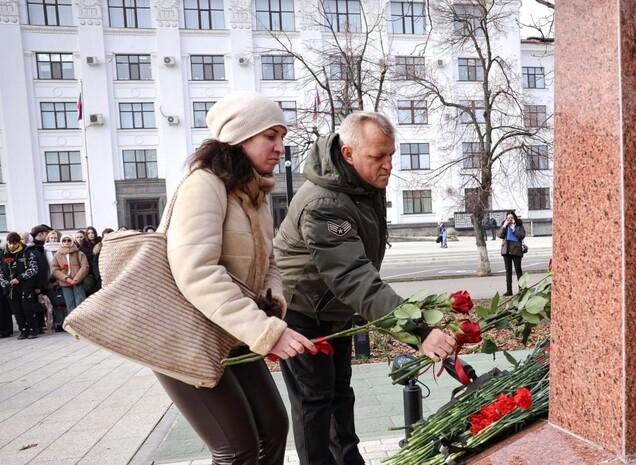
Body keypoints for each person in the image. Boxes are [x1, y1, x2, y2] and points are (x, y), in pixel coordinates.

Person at [273, 111, 456, 465]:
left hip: (333, 308)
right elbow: (354, 276)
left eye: (391, 154)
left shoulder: (360, 184)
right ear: (348, 154)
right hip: (303, 312)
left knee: (340, 395)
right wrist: (418, 331)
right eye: (378, 156)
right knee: (314, 404)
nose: (388, 165)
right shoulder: (324, 203)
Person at [156, 90, 314, 465]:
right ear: (239, 137)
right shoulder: (203, 185)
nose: (280, 148)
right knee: (236, 448)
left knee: (273, 428)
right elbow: (197, 272)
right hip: (185, 335)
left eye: (282, 137)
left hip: (230, 331)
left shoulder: (254, 194)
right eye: (270, 136)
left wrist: (271, 303)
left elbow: (270, 262)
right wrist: (266, 331)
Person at [0, 232, 40, 339]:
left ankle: (32, 330)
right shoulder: (3, 254)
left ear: (18, 242)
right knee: (16, 310)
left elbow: (34, 268)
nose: (12, 245)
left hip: (24, 285)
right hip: (10, 288)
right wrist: (5, 283)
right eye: (10, 243)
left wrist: (20, 278)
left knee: (27, 309)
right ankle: (23, 329)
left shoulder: (27, 252)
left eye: (14, 243)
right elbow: (0, 272)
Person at [50, 234, 89, 321]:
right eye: (64, 240)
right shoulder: (57, 255)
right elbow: (54, 269)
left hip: (78, 283)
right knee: (70, 305)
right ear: (61, 242)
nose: (66, 242)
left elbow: (85, 267)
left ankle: (83, 322)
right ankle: (73, 323)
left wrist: (76, 279)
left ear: (72, 241)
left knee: (81, 304)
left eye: (69, 240)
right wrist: (66, 279)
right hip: (65, 284)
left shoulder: (79, 253)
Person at [28, 225, 52, 334]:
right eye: (46, 234)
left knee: (41, 303)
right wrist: (38, 286)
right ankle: (38, 325)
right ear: (40, 234)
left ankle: (40, 325)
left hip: (41, 283)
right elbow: (39, 269)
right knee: (38, 304)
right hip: (37, 284)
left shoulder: (40, 247)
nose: (47, 236)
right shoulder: (35, 249)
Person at [499, 211, 526, 296]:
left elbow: (521, 236)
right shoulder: (505, 225)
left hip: (516, 250)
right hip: (506, 250)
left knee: (518, 270)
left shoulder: (519, 225)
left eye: (511, 218)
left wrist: (514, 229)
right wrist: (504, 226)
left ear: (514, 218)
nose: (510, 219)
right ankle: (509, 291)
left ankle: (521, 290)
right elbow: (500, 235)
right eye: (508, 218)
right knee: (508, 271)